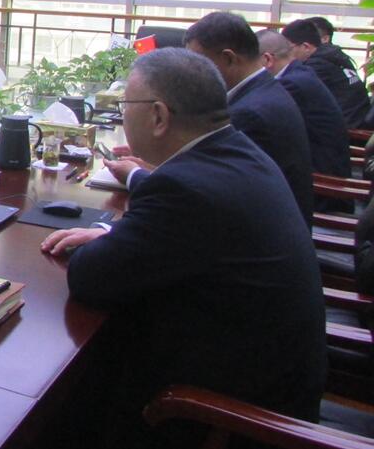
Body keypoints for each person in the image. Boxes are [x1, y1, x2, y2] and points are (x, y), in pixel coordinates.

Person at [41, 49, 325, 448]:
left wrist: (114, 243)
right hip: (272, 384)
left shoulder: (184, 189)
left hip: (228, 421)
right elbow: (183, 237)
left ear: (158, 116)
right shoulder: (237, 151)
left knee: (66, 391)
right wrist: (119, 236)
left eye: (125, 106)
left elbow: (91, 277)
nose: (123, 115)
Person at [183, 12, 314, 226]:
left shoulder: (250, 114)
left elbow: (212, 191)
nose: (193, 74)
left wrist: (141, 175)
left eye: (198, 64)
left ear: (229, 58)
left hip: (265, 235)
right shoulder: (266, 90)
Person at [257, 29, 351, 181]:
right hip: (326, 162)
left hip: (322, 176)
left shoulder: (291, 84)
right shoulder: (300, 72)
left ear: (267, 59)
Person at [282, 18, 371, 129]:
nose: (285, 53)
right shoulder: (332, 54)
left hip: (348, 127)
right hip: (357, 117)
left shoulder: (317, 66)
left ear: (306, 47)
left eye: (288, 48)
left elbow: (286, 95)